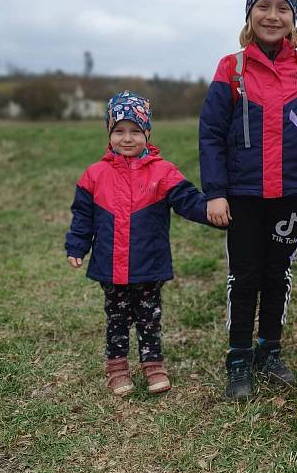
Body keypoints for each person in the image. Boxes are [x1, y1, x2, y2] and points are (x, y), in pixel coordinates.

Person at [199, 0, 297, 399]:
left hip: (291, 193)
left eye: (282, 8)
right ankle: (239, 357)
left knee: (278, 274)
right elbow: (210, 133)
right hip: (242, 195)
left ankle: (270, 350)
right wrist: (216, 191)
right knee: (244, 277)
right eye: (263, 6)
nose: (272, 15)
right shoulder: (232, 67)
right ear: (250, 13)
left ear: (293, 17)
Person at [66, 92, 227, 397]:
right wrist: (76, 246)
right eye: (119, 131)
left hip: (149, 264)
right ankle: (117, 369)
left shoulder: (162, 172)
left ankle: (153, 366)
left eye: (135, 131)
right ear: (109, 133)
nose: (127, 139)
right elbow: (82, 216)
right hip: (109, 265)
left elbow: (188, 201)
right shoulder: (94, 175)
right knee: (117, 318)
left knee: (149, 316)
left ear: (147, 133)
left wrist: (214, 211)